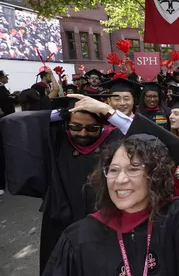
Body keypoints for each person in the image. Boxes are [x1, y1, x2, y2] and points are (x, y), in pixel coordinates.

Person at [43, 119, 179, 275]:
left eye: (133, 169)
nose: (120, 179)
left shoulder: (176, 219)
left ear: (156, 175)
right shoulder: (80, 237)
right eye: (113, 170)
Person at [0, 94, 129, 274]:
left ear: (103, 125)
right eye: (75, 126)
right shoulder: (58, 138)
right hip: (60, 218)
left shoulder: (114, 138)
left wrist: (108, 112)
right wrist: (62, 113)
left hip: (103, 217)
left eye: (92, 128)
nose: (83, 133)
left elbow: (147, 135)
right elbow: (12, 121)